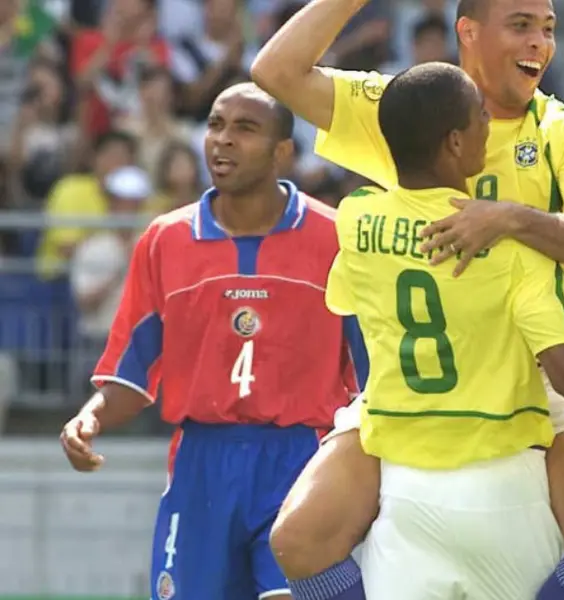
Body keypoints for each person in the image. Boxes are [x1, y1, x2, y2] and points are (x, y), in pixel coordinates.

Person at [251, 0, 564, 598]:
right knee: (299, 538)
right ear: (468, 31)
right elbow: (275, 72)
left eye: (549, 29)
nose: (539, 43)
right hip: (417, 386)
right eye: (521, 26)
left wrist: (507, 218)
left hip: (532, 370)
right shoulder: (414, 105)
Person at [58, 83, 368, 600]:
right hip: (200, 464)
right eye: (216, 125)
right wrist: (90, 416)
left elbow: (371, 379)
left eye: (244, 129)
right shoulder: (165, 240)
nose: (223, 141)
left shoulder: (336, 239)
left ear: (282, 152)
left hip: (304, 460)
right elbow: (131, 372)